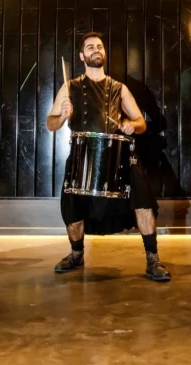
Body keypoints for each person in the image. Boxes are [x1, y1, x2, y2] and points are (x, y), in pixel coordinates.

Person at [46, 32, 171, 282]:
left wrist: (130, 125)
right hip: (82, 155)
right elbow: (51, 124)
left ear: (104, 53)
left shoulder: (118, 88)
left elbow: (141, 123)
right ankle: (76, 253)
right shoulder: (69, 86)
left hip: (119, 156)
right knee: (72, 210)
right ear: (82, 56)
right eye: (90, 47)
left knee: (144, 201)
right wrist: (62, 115)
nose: (96, 50)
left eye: (99, 46)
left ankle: (152, 258)